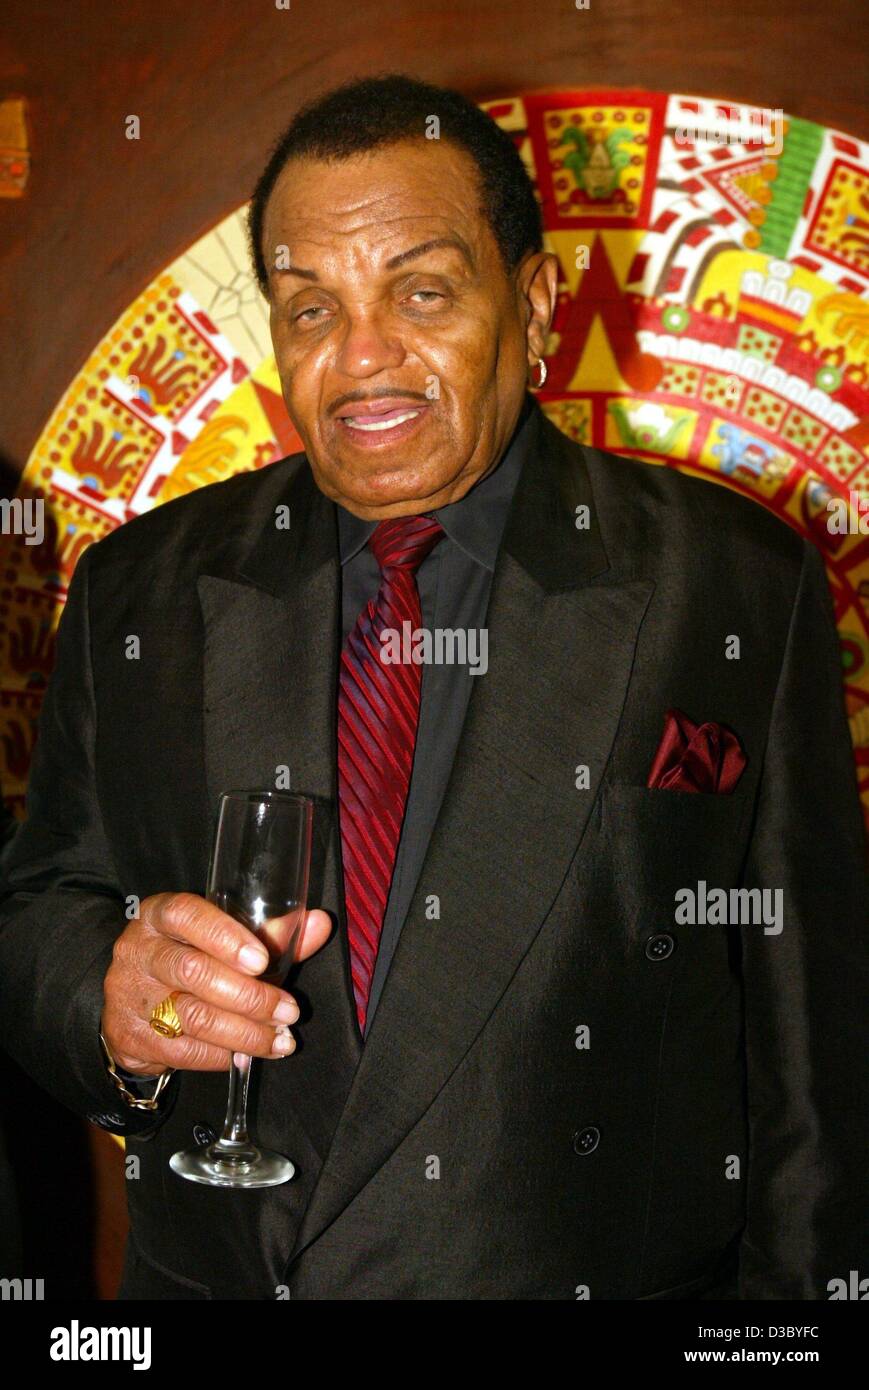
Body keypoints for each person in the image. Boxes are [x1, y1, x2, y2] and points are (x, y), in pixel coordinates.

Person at [0, 74, 866, 1301]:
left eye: (419, 291)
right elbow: (36, 903)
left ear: (533, 303)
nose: (361, 359)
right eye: (309, 309)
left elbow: (815, 1074)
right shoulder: (140, 589)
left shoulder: (724, 585)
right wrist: (104, 990)